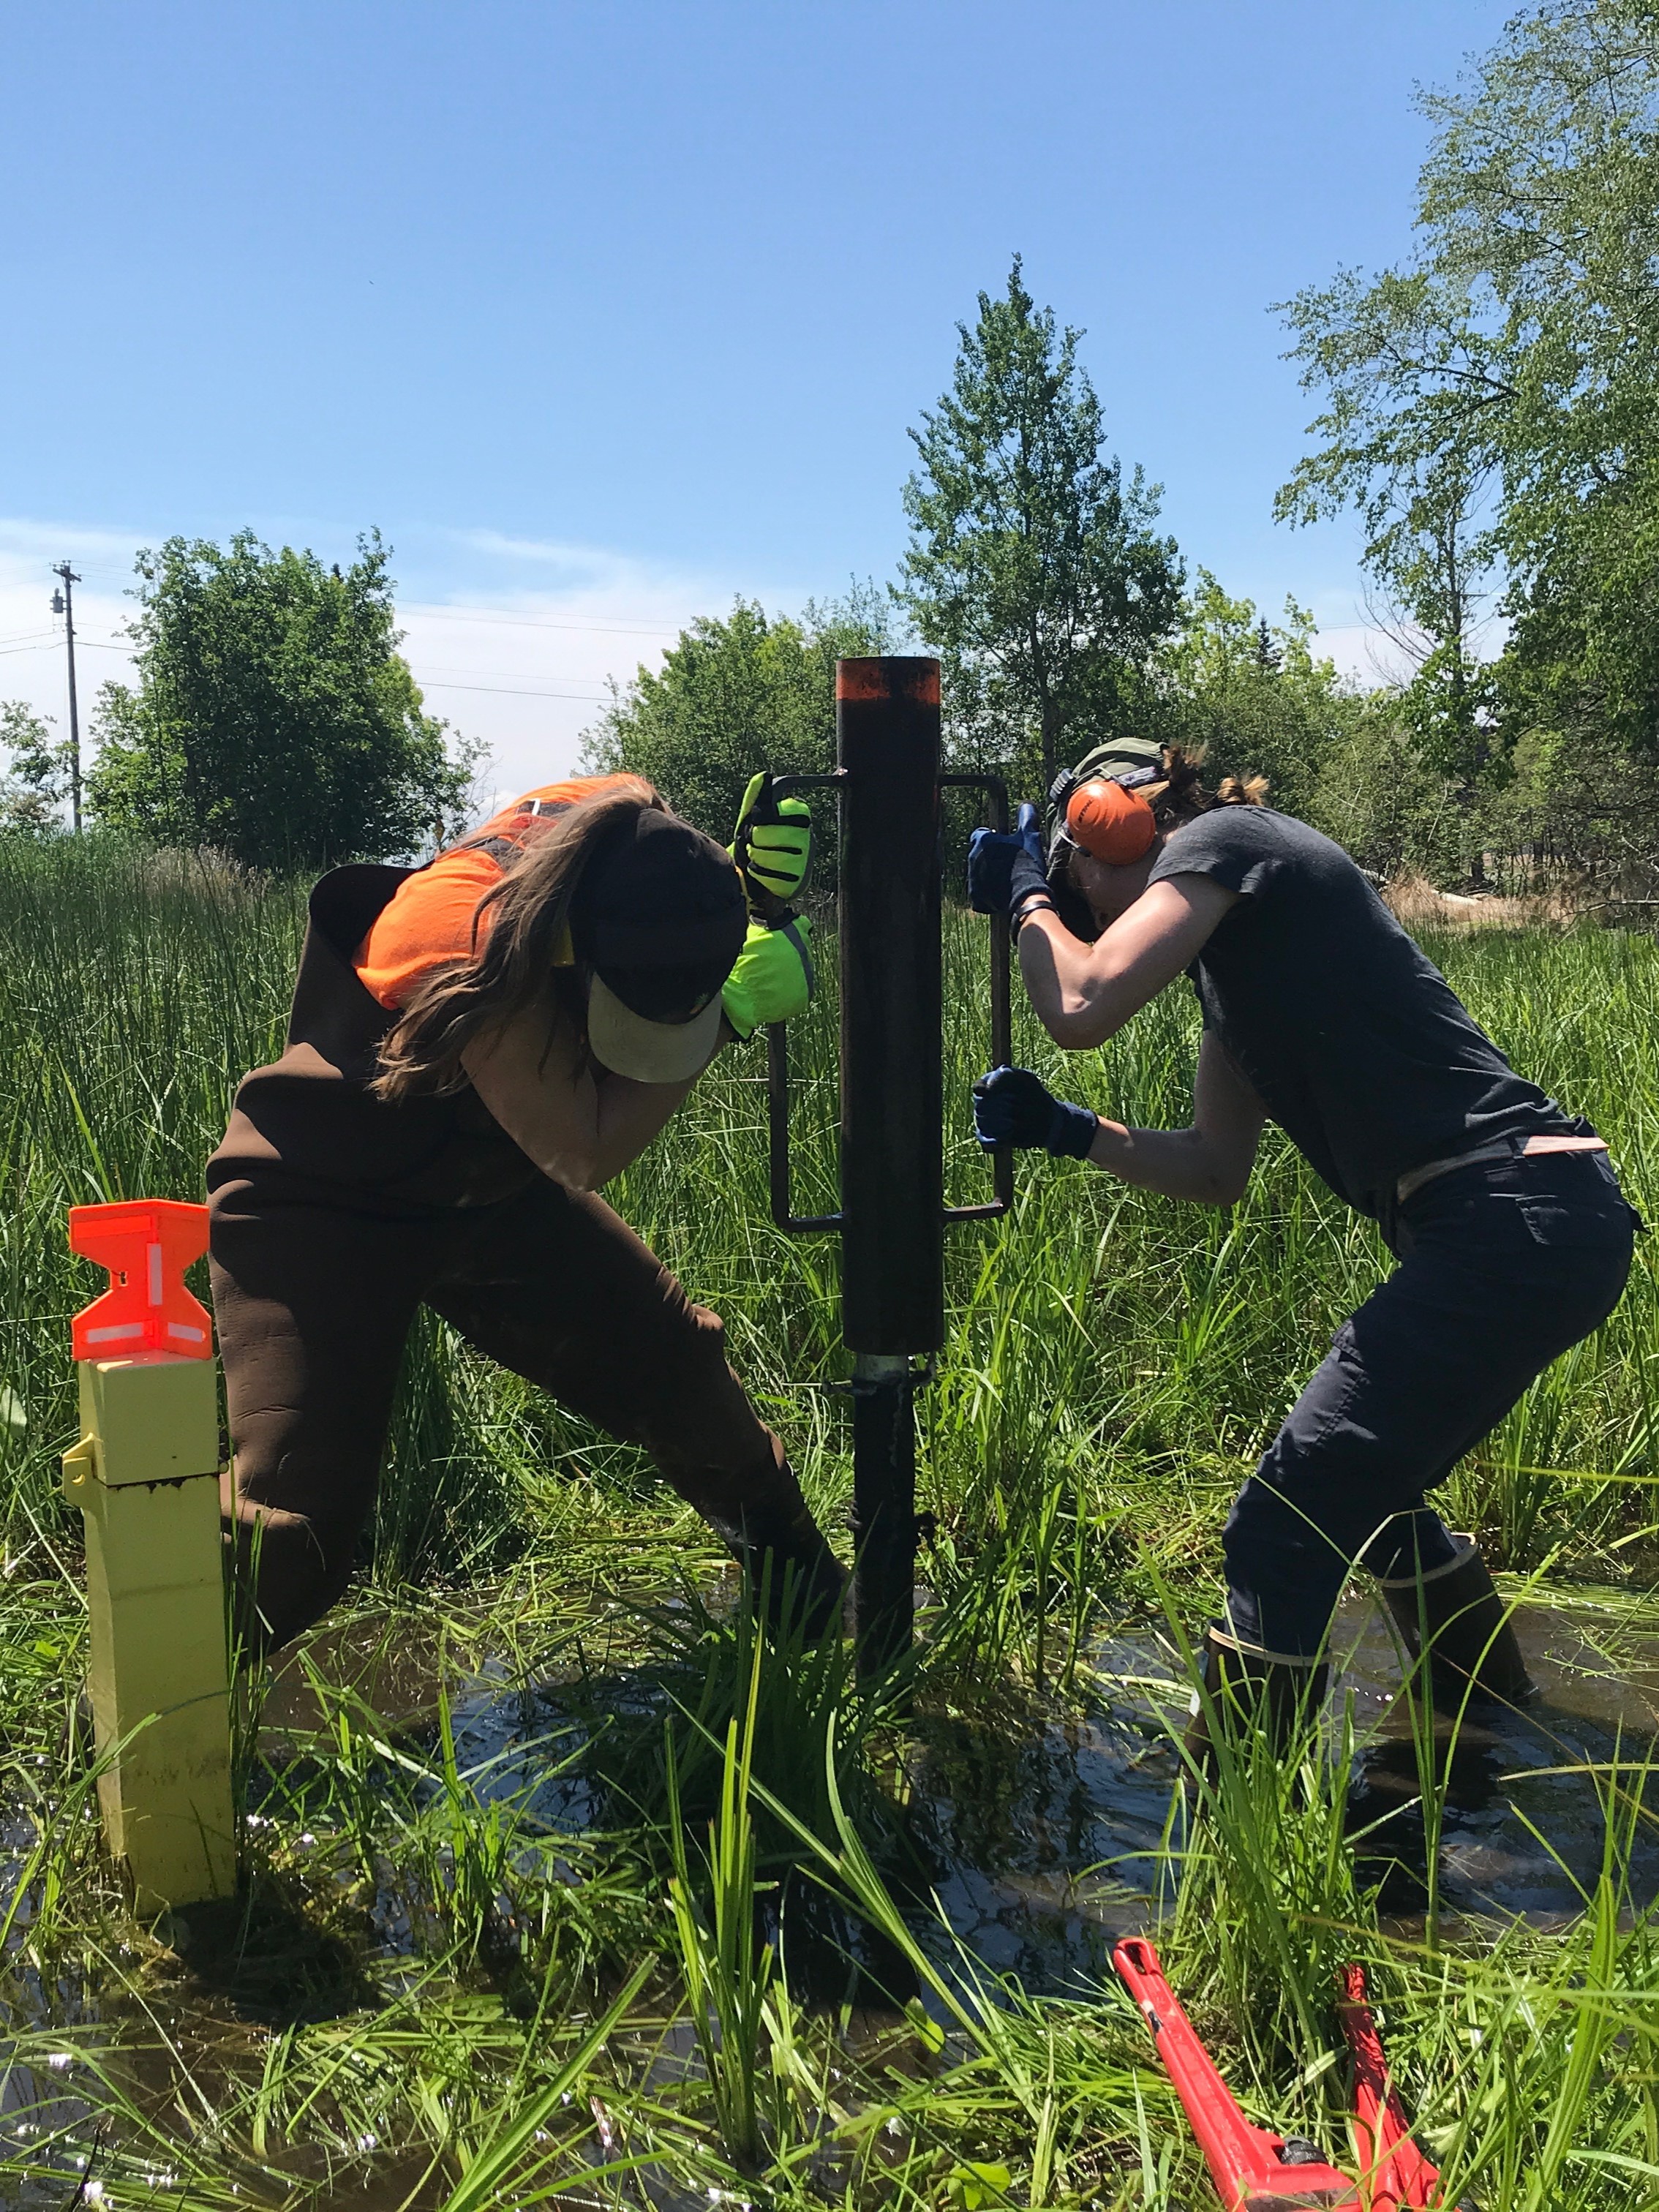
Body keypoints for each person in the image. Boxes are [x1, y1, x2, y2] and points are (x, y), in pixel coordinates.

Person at [968, 740, 1638, 1742]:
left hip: (1510, 1211)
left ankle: (1229, 1819)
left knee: (1283, 1520)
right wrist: (1073, 1132)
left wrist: (1025, 896)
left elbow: (1079, 1003)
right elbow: (1212, 1170)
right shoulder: (1237, 969)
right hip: (1531, 1219)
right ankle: (1488, 1727)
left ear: (1120, 830)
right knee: (1373, 1496)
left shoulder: (1228, 842)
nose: (1082, 909)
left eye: (1077, 880)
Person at [207, 771, 843, 1652]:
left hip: (489, 1193)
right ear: (561, 953)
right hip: (321, 1197)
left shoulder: (623, 827)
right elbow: (581, 1150)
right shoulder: (464, 950)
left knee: (680, 1373)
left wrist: (738, 899)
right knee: (293, 1527)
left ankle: (823, 1619)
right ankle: (149, 1727)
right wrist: (725, 1014)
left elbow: (654, 891)